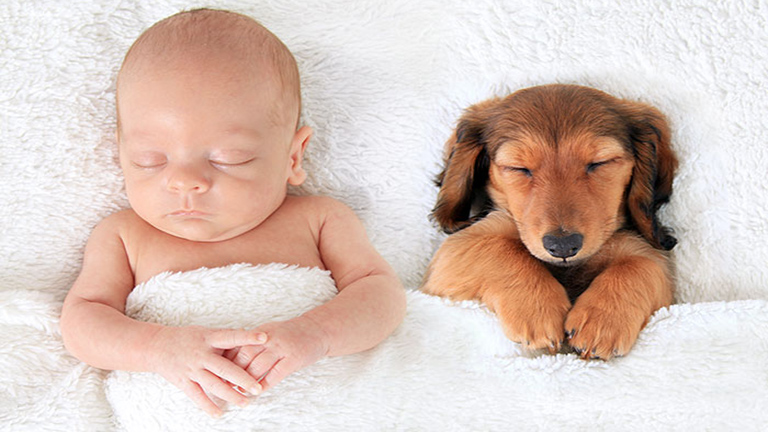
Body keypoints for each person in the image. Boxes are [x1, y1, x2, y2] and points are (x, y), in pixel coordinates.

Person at [60, 8, 406, 418]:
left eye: (229, 158)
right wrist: (157, 348)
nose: (185, 181)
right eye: (150, 160)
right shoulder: (123, 236)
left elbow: (382, 296)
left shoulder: (320, 220)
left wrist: (315, 334)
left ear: (293, 157)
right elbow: (82, 323)